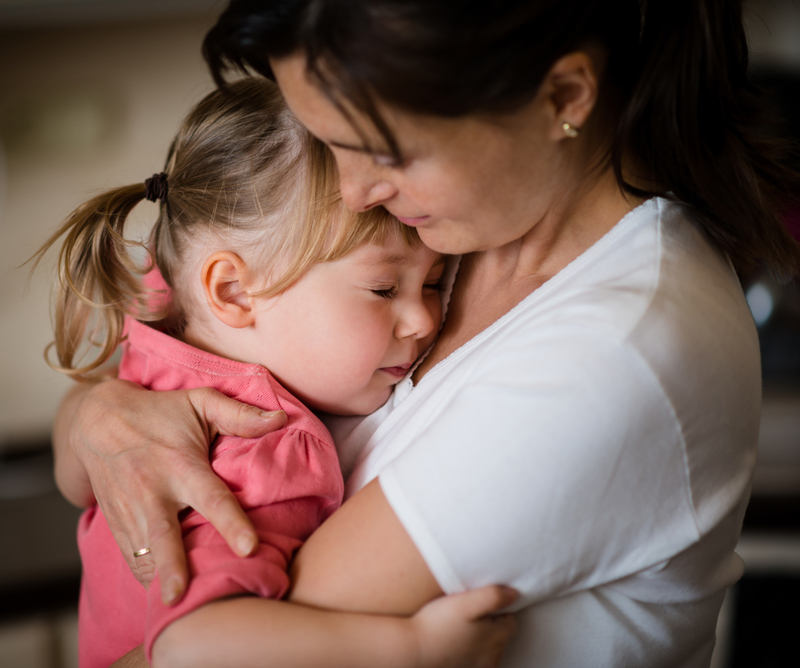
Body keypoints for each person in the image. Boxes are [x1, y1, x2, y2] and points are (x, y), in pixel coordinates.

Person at [52, 1, 800, 666]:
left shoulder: (617, 351)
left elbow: (216, 645)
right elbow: (156, 356)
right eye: (328, 141)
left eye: (385, 150)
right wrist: (97, 417)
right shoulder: (463, 227)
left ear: (563, 98)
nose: (351, 192)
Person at [35, 78, 516, 667]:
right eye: (384, 288)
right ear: (233, 291)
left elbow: (75, 474)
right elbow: (192, 648)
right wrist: (409, 649)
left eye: (436, 282)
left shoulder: (168, 315)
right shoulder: (262, 450)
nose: (421, 319)